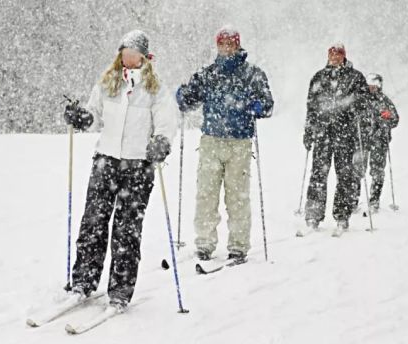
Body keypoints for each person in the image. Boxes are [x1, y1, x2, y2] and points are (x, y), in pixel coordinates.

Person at [63, 30, 177, 311]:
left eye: (134, 53)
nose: (128, 58)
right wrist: (82, 117)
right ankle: (83, 282)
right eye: (125, 53)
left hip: (138, 166)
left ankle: (120, 292)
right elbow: (93, 114)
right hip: (107, 161)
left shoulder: (155, 89)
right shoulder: (108, 82)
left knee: (127, 231)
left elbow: (165, 123)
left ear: (144, 57)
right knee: (93, 223)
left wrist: (161, 142)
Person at [176, 26, 274, 263]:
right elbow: (190, 100)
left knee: (237, 196)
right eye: (223, 44)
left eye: (231, 44)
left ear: (238, 45)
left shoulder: (252, 74)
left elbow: (268, 104)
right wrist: (183, 96)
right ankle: (204, 244)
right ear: (218, 45)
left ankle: (238, 246)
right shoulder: (208, 73)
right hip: (211, 140)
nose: (227, 48)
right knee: (206, 195)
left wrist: (259, 107)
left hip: (239, 142)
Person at [298, 42, 368, 237]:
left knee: (344, 175)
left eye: (338, 55)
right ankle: (313, 215)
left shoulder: (355, 77)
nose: (335, 58)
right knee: (318, 174)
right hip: (323, 133)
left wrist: (355, 108)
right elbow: (311, 106)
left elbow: (363, 101)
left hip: (345, 133)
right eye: (332, 54)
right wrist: (309, 131)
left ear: (344, 56)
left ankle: (342, 215)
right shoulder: (319, 77)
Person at [355, 73, 399, 212]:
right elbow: (352, 117)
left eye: (375, 86)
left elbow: (395, 119)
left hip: (379, 141)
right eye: (370, 86)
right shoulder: (360, 100)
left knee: (377, 171)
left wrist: (388, 118)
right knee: (356, 171)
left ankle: (374, 201)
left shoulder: (385, 101)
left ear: (379, 86)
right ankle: (352, 200)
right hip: (361, 140)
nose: (372, 89)